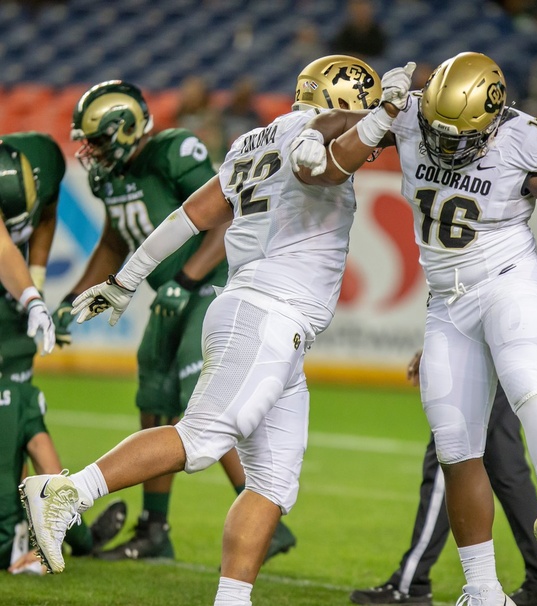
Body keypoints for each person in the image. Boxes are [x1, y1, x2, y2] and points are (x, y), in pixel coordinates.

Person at [18, 55, 400, 606]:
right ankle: (68, 492)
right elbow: (329, 144)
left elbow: (190, 215)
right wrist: (385, 112)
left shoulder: (252, 140)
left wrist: (127, 279)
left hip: (264, 314)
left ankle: (232, 600)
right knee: (200, 439)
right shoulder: (314, 133)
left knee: (271, 483)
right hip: (267, 313)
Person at [288, 51, 537, 605]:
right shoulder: (410, 113)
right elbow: (334, 124)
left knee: (529, 387)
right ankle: (483, 590)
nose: (446, 144)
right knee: (455, 447)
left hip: (509, 284)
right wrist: (313, 132)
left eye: (460, 135)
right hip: (447, 304)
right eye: (438, 131)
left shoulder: (522, 140)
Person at [50, 80, 295, 563]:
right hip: (171, 293)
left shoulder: (174, 151)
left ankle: (268, 521)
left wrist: (185, 279)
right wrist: (76, 295)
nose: (90, 151)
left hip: (215, 284)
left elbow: (226, 217)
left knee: (198, 397)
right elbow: (115, 241)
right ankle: (154, 528)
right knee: (154, 395)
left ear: (126, 129)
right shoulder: (110, 178)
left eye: (97, 140)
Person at [350, 351, 537, 606]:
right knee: (507, 470)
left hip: (478, 360)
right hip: (509, 358)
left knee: (450, 458)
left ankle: (410, 584)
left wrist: (439, 348)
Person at [2, 378, 127, 575]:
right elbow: (53, 480)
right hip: (8, 548)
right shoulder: (20, 398)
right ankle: (85, 541)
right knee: (57, 494)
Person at [0, 135, 59, 379]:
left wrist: (36, 283)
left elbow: (45, 217)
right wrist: (32, 299)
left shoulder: (46, 159)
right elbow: (2, 247)